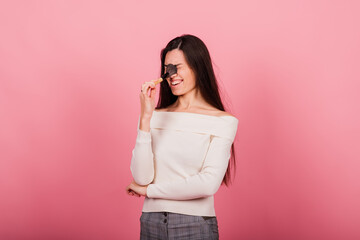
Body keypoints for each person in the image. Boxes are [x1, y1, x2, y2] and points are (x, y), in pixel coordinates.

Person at [126, 34, 238, 240]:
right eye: (167, 68)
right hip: (151, 222)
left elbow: (207, 184)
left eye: (178, 67)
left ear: (198, 68)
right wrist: (145, 119)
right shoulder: (155, 116)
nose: (171, 75)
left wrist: (149, 191)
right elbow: (142, 177)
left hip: (194, 224)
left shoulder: (223, 121)